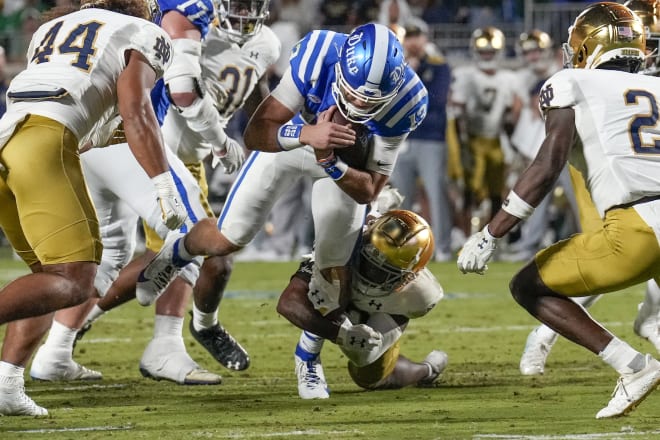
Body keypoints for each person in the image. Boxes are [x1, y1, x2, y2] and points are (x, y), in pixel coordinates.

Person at [29, 0, 280, 385]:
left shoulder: (66, 27)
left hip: (75, 137)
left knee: (102, 256)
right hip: (140, 140)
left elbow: (254, 97)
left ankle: (55, 351)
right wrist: (218, 142)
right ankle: (167, 344)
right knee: (195, 237)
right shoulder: (187, 12)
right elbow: (180, 91)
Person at [134, 23, 429, 322]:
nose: (359, 104)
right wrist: (307, 135)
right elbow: (257, 132)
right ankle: (177, 252)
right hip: (294, 136)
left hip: (339, 162)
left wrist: (330, 162)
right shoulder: (319, 52)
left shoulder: (409, 101)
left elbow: (370, 190)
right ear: (341, 68)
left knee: (334, 268)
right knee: (228, 237)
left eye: (370, 101)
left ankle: (309, 358)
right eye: (353, 95)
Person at [457, 2, 660, 419]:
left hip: (636, 232)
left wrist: (491, 232)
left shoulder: (572, 80)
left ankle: (632, 365)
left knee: (527, 286)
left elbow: (548, 164)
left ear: (588, 46)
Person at [0, 0, 187, 416]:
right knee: (74, 281)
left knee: (46, 282)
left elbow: (87, 110)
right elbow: (135, 108)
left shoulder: (53, 29)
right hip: (43, 144)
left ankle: (6, 384)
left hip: (9, 139)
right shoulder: (143, 32)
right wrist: (162, 182)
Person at [518, 0, 660, 376]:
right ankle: (547, 332)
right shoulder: (622, 38)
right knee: (611, 247)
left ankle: (648, 321)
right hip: (616, 163)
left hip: (643, 166)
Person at [277, 208, 447, 399]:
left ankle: (426, 370)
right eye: (367, 261)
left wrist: (354, 336)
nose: (370, 272)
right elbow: (288, 302)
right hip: (338, 288)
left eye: (379, 272)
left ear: (408, 277)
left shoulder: (420, 295)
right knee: (326, 291)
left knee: (367, 369)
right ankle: (307, 354)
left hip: (383, 306)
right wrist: (341, 333)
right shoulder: (344, 239)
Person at [388, 18, 453, 262]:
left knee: (436, 193)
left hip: (430, 138)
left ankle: (443, 246)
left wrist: (412, 75)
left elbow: (436, 100)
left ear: (425, 39)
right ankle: (404, 247)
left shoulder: (438, 66)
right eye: (410, 37)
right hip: (402, 138)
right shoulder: (396, 67)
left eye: (418, 37)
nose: (414, 42)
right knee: (401, 196)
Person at [449, 26, 522, 236]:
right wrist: (461, 144)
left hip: (496, 140)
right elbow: (457, 113)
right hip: (472, 140)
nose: (487, 55)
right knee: (470, 192)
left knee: (497, 193)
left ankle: (492, 238)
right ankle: (464, 236)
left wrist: (513, 142)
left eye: (491, 51)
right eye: (484, 51)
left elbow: (511, 116)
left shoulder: (509, 78)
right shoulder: (465, 76)